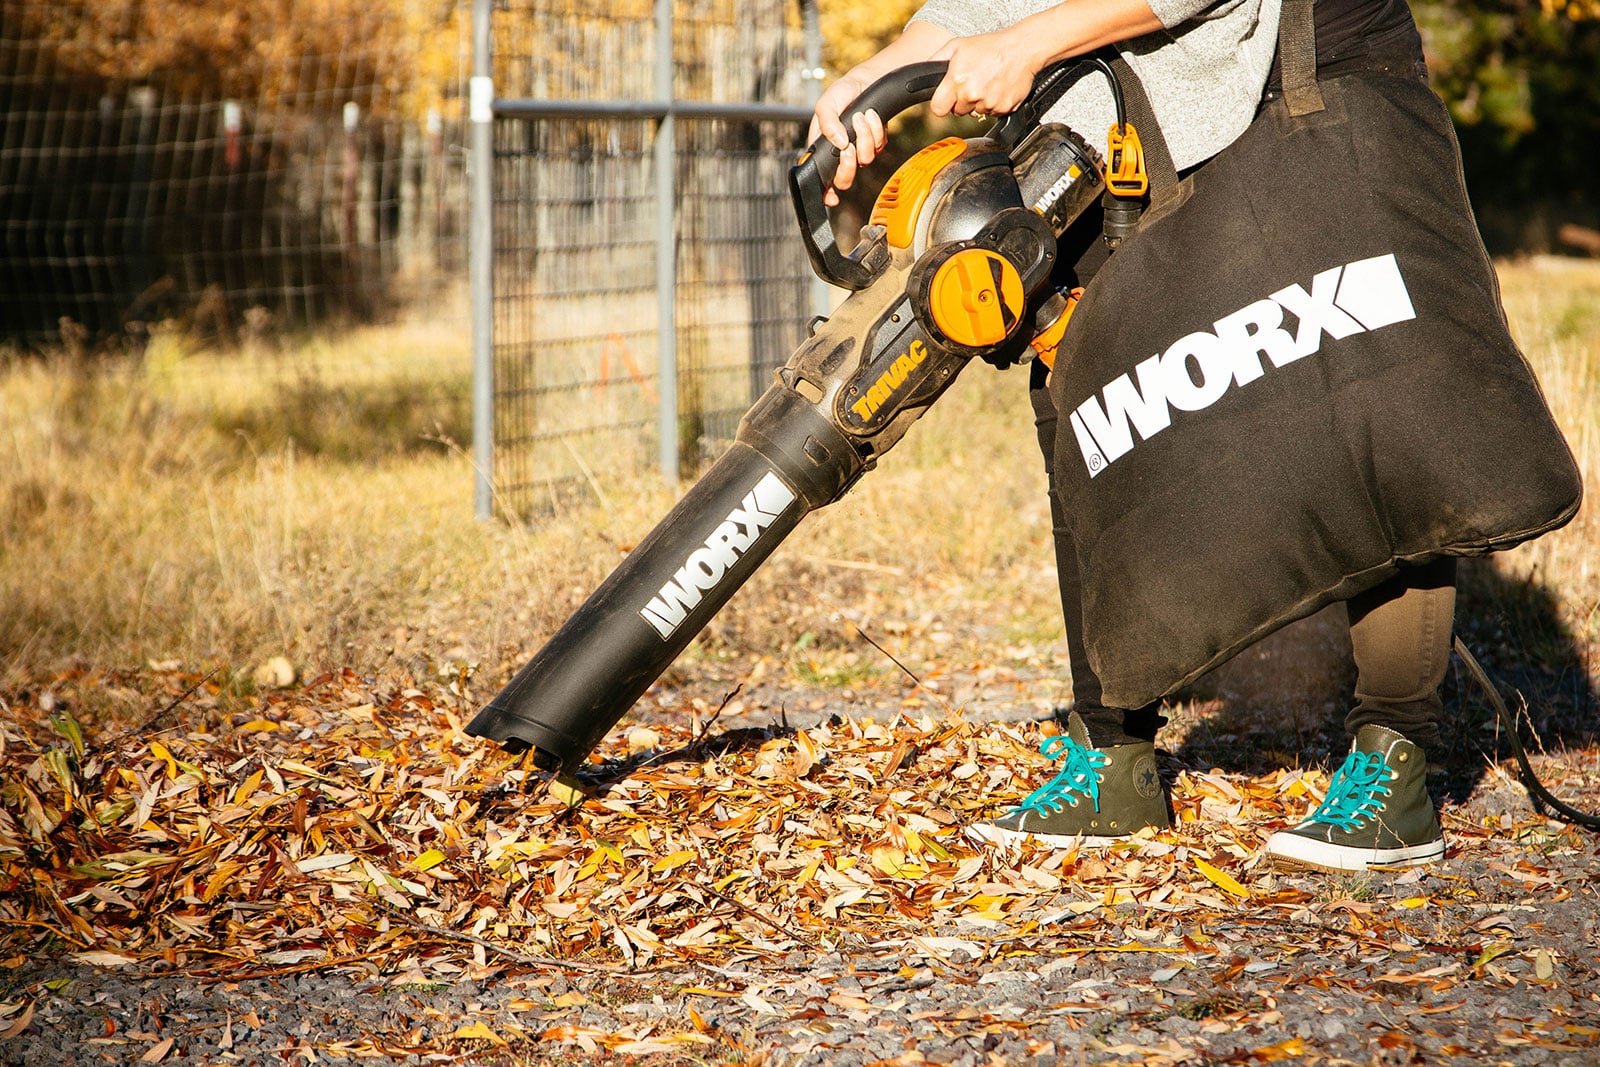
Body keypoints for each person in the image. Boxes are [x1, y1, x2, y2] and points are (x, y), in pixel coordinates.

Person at [810, 0, 1468, 873]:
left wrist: (1026, 45)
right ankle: (1113, 753)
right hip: (1120, 97)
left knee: (1366, 396)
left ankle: (1397, 759)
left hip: (1316, 58)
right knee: (1081, 386)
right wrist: (881, 74)